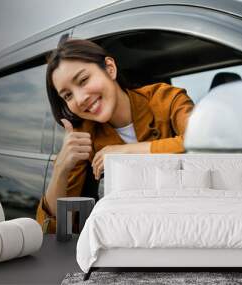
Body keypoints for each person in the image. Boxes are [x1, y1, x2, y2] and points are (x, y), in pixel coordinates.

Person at [36, 38, 194, 233]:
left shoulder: (166, 98)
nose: (80, 98)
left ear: (109, 68)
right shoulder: (84, 136)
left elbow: (205, 146)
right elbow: (55, 231)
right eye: (67, 95)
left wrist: (126, 152)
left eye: (83, 80)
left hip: (186, 227)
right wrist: (61, 167)